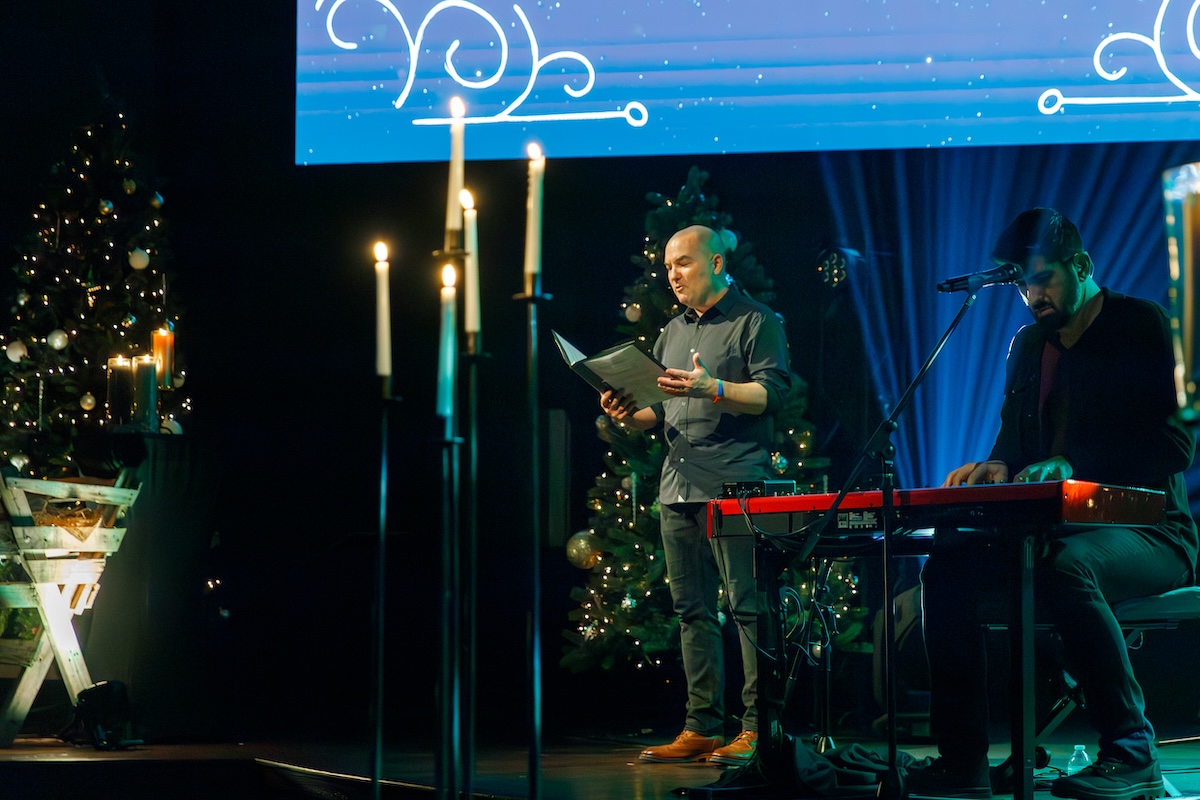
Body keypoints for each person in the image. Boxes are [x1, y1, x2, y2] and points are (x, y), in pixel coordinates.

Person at [907, 208, 1198, 800]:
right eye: (1020, 283)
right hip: (1052, 531)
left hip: (1151, 530)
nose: (1030, 294)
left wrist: (1077, 466)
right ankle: (963, 763)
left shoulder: (1142, 326)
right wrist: (996, 467)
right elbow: (1013, 445)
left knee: (1067, 568)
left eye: (1042, 278)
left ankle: (1132, 750)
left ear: (1083, 266)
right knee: (948, 568)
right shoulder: (1027, 345)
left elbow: (1175, 445)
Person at [599, 224, 791, 766]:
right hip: (678, 486)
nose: (672, 275)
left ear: (715, 263)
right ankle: (702, 727)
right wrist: (626, 415)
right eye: (667, 267)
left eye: (682, 264)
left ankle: (759, 728)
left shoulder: (756, 320)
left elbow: (773, 394)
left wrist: (717, 389)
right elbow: (657, 412)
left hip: (735, 484)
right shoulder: (670, 332)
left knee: (750, 610)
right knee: (693, 612)